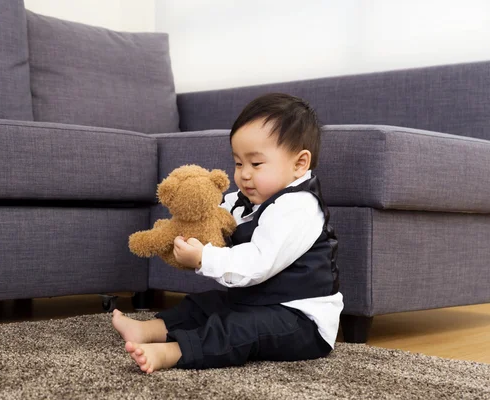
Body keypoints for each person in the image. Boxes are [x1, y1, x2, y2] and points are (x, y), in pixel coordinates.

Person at [112, 93, 343, 374]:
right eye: (238, 163)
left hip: (301, 320)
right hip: (259, 301)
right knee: (208, 304)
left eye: (256, 164)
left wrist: (203, 258)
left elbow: (258, 263)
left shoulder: (298, 207)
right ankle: (149, 330)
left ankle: (174, 352)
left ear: (299, 163)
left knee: (239, 329)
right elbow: (214, 221)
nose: (244, 174)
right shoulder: (243, 199)